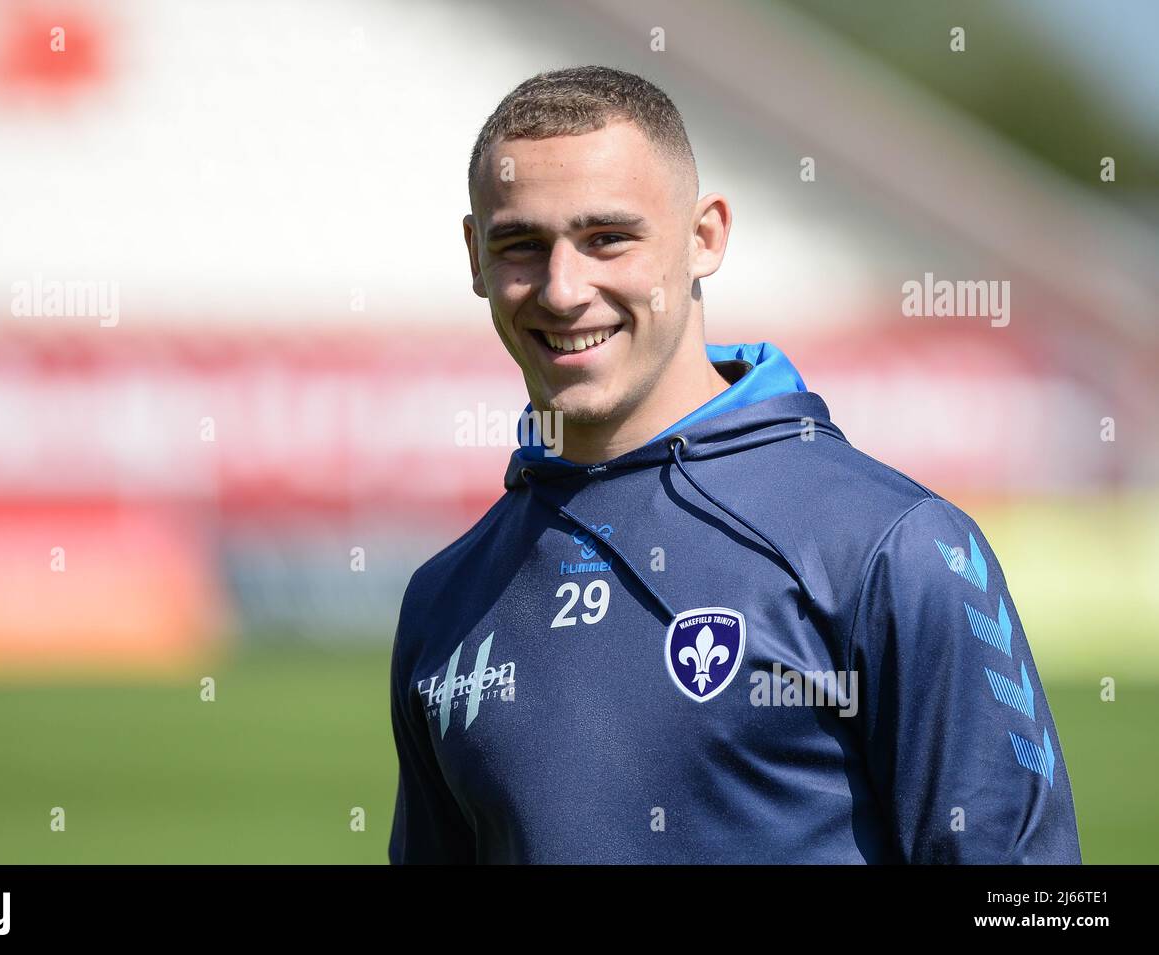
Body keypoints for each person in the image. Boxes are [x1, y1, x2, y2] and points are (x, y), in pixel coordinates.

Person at [388, 65, 1081, 864]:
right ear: (476, 256)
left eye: (607, 237)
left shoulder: (897, 546)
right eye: (522, 245)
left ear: (704, 236)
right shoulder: (446, 599)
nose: (563, 288)